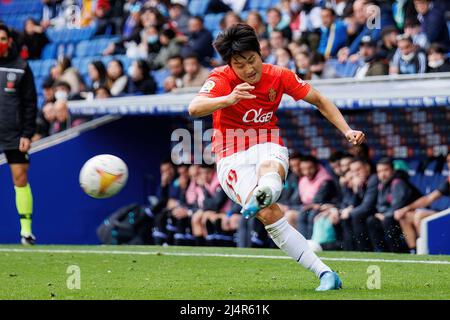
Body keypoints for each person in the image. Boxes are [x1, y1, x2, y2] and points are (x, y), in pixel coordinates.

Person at [188, 24, 365, 291]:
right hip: (230, 154)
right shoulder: (221, 78)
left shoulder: (279, 75)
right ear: (230, 66)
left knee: (270, 167)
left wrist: (347, 129)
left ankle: (264, 193)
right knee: (268, 214)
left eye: (252, 60)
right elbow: (194, 108)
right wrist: (228, 99)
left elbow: (319, 100)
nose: (249, 69)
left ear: (261, 54)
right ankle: (326, 273)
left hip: (267, 142)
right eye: (240, 65)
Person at [0, 24, 38, 245]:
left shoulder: (21, 67)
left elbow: (30, 103)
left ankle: (26, 231)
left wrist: (27, 133)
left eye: (3, 38)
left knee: (20, 178)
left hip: (14, 134)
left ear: (9, 41)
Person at [394, 152, 450, 252]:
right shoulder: (448, 180)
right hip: (445, 215)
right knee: (405, 216)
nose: (449, 164)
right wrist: (406, 208)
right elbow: (429, 198)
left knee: (420, 215)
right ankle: (414, 251)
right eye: (448, 161)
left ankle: (427, 251)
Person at [366, 158, 421, 253]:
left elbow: (398, 205)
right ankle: (380, 251)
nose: (382, 174)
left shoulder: (398, 182)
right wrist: (381, 213)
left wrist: (384, 215)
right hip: (391, 214)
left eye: (385, 170)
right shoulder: (382, 184)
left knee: (388, 220)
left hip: (405, 214)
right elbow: (380, 204)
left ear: (392, 170)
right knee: (371, 220)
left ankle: (396, 251)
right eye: (379, 171)